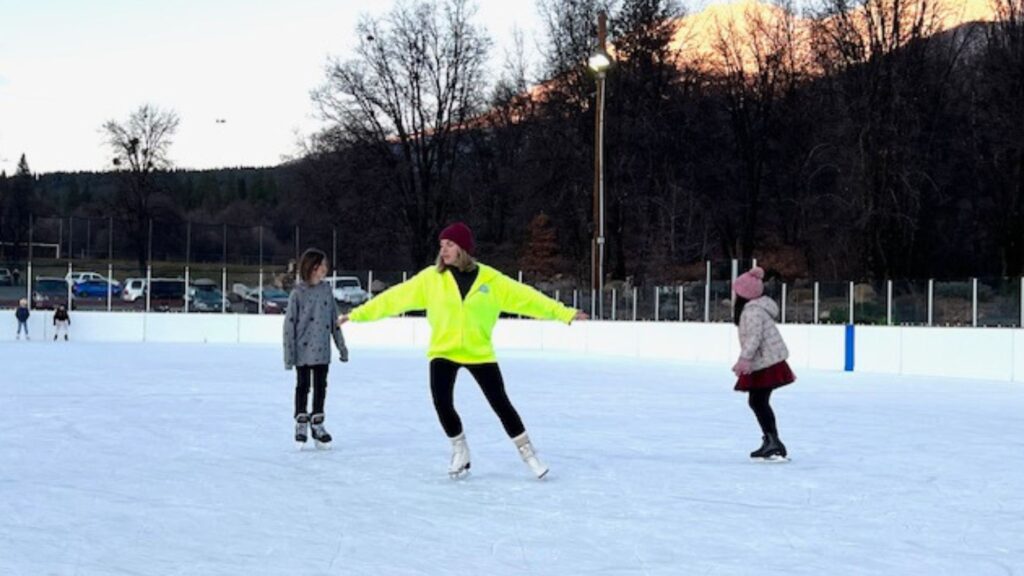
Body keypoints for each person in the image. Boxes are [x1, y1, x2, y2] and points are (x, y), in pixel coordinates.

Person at [339, 222, 588, 480]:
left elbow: (528, 298)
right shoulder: (431, 279)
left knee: (501, 404)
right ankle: (460, 450)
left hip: (478, 351)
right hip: (443, 350)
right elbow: (394, 298)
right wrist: (357, 315)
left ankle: (529, 454)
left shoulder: (491, 280)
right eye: (442, 245)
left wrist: (564, 313)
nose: (443, 250)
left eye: (450, 245)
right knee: (442, 402)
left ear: (463, 248)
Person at [283, 248, 348, 449]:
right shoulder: (298, 293)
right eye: (323, 266)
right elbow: (289, 325)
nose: (326, 269)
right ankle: (301, 421)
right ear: (313, 268)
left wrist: (341, 347)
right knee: (303, 386)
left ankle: (318, 423)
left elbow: (334, 320)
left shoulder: (326, 291)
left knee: (321, 387)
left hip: (322, 350)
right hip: (302, 350)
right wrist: (289, 355)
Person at [731, 266, 795, 461]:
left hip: (766, 362)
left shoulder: (751, 312)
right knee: (758, 401)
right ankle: (770, 440)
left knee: (758, 401)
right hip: (767, 360)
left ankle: (773, 441)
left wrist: (745, 359)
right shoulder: (756, 308)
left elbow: (754, 338)